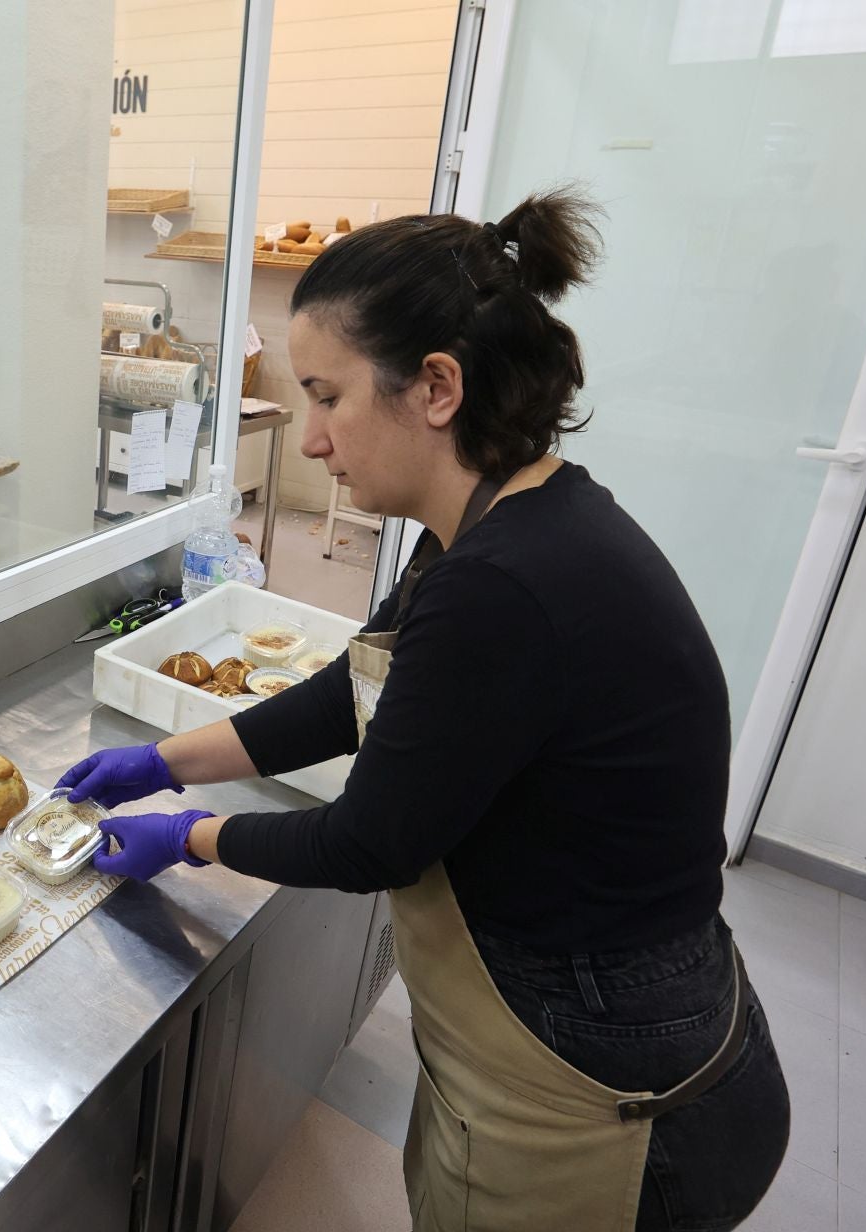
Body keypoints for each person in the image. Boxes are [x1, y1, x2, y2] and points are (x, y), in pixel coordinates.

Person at [59, 192, 790, 1231]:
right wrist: (168, 758)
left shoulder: (510, 581)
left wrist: (188, 835)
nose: (310, 440)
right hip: (606, 1018)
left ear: (436, 385)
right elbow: (348, 695)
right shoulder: (492, 525)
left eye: (326, 396)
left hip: (614, 1090)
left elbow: (374, 838)